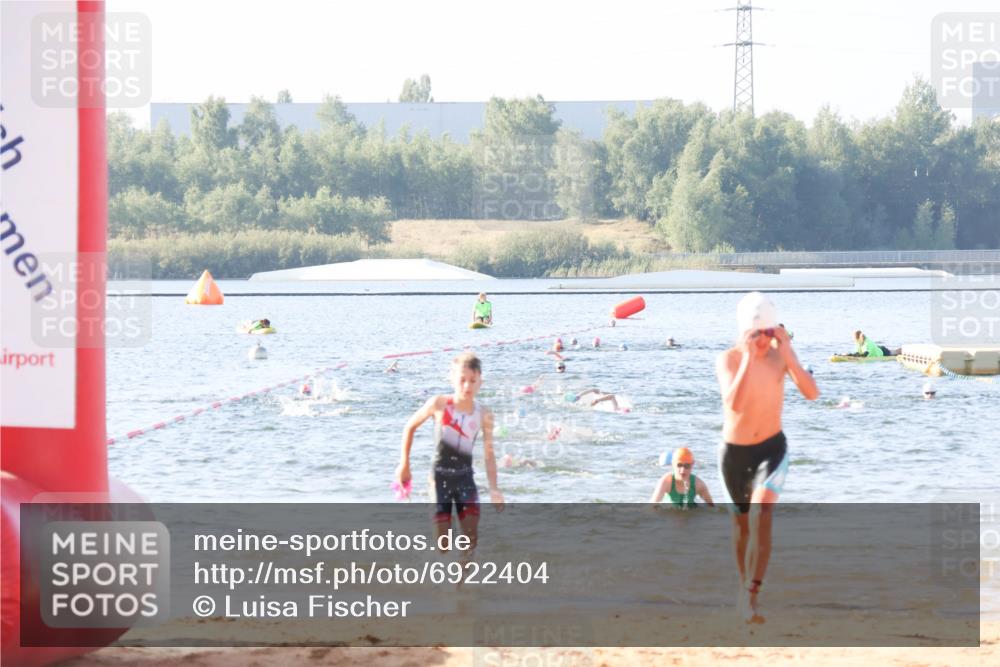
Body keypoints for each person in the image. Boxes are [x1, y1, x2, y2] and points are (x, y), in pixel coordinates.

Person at [715, 292, 819, 624]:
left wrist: (788, 353)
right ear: (745, 333)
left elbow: (812, 393)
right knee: (740, 525)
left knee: (762, 512)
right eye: (756, 335)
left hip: (772, 450)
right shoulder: (729, 359)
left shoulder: (779, 356)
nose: (763, 342)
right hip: (734, 453)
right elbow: (734, 404)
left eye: (768, 334)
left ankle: (751, 597)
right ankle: (741, 585)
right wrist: (748, 357)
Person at [396, 353, 504, 558]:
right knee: (443, 545)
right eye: (462, 380)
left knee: (471, 538)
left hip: (465, 478)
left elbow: (489, 454)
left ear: (480, 381)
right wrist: (404, 464)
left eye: (472, 381)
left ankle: (458, 587)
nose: (467, 386)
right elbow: (409, 427)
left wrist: (494, 489)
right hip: (440, 478)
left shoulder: (484, 414)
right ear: (452, 379)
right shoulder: (439, 404)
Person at [649, 447, 714, 509]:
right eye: (679, 465)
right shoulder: (666, 482)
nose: (682, 470)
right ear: (673, 464)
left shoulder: (698, 484)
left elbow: (712, 507)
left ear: (692, 465)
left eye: (687, 466)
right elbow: (652, 507)